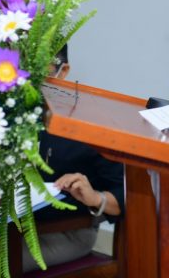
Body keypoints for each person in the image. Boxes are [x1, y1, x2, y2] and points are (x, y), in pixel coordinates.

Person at [21, 45, 125, 272]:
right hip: (11, 228)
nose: (29, 81)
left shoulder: (90, 123)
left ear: (64, 70)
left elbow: (123, 197)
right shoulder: (11, 112)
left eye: (41, 72)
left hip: (65, 233)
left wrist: (94, 197)